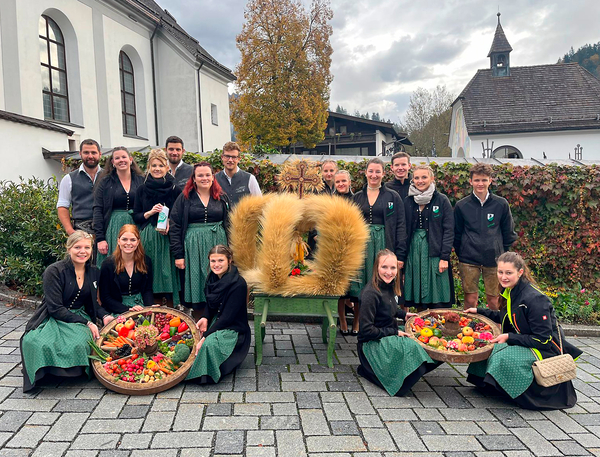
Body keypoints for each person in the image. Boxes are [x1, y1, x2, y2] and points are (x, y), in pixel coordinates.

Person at [466, 252, 582, 410]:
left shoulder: (535, 299)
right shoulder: (511, 291)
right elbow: (506, 316)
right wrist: (478, 311)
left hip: (545, 349)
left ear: (520, 272)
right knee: (487, 346)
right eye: (500, 272)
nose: (503, 277)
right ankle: (492, 386)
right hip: (525, 341)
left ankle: (523, 396)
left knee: (503, 357)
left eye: (509, 273)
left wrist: (509, 337)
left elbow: (543, 340)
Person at [20, 231, 113, 392]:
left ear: (92, 250)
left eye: (87, 247)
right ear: (69, 248)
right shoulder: (54, 271)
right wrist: (88, 323)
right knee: (36, 342)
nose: (82, 251)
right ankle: (46, 372)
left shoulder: (94, 271)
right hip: (53, 316)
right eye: (77, 247)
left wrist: (104, 316)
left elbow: (92, 303)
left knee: (79, 342)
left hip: (79, 315)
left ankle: (71, 372)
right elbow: (55, 308)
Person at [357, 249, 440, 396]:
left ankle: (406, 371)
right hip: (371, 345)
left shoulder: (388, 285)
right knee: (414, 348)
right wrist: (395, 332)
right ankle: (377, 373)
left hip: (387, 333)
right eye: (384, 267)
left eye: (392, 268)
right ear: (376, 267)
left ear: (397, 269)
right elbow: (366, 330)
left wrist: (404, 314)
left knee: (426, 338)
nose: (389, 272)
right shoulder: (370, 293)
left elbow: (388, 308)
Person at [170, 162, 231, 318]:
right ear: (194, 178)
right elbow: (175, 225)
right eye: (200, 175)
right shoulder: (184, 198)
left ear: (213, 177)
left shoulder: (222, 197)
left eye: (207, 175)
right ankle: (199, 320)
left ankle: (217, 320)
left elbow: (230, 224)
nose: (204, 178)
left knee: (218, 277)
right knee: (197, 281)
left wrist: (231, 251)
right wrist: (178, 255)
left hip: (217, 243)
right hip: (193, 248)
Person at [455, 163, 517, 310]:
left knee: (494, 300)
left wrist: (502, 253)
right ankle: (470, 324)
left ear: (490, 180)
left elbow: (508, 231)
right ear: (470, 181)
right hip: (469, 259)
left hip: (494, 259)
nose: (480, 184)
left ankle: (496, 325)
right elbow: (456, 233)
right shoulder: (462, 205)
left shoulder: (501, 204)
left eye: (484, 180)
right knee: (470, 299)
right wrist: (463, 252)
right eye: (477, 180)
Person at [186, 245, 251, 384]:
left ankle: (206, 373)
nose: (216, 265)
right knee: (190, 339)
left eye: (221, 260)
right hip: (218, 320)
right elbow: (210, 304)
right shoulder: (212, 278)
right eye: (213, 261)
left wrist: (206, 336)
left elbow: (227, 318)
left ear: (229, 260)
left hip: (233, 328)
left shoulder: (239, 284)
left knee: (208, 345)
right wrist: (205, 317)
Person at [351, 158, 406, 301]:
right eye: (371, 171)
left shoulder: (393, 196)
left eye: (377, 172)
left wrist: (400, 255)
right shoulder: (357, 197)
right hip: (362, 245)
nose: (374, 175)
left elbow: (400, 226)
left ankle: (384, 312)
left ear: (383, 174)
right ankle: (362, 313)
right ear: (365, 173)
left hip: (384, 243)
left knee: (383, 279)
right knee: (362, 279)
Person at [402, 165, 455, 309]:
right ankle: (420, 319)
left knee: (438, 292)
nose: (420, 181)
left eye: (424, 177)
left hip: (435, 251)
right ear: (413, 180)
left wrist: (444, 257)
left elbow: (449, 230)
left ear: (432, 179)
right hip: (414, 251)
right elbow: (403, 229)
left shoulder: (441, 200)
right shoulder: (408, 201)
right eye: (417, 178)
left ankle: (439, 319)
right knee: (418, 292)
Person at [133, 149, 181, 306]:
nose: (157, 169)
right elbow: (136, 216)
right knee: (151, 274)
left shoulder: (175, 189)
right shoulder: (141, 189)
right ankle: (154, 309)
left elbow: (180, 213)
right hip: (149, 237)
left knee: (169, 274)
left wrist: (170, 221)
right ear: (149, 167)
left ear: (167, 167)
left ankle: (172, 310)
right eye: (154, 165)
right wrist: (150, 212)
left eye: (160, 165)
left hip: (168, 238)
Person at [93, 147, 144, 268]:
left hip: (137, 225)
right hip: (113, 227)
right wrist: (100, 238)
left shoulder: (141, 180)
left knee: (137, 263)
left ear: (130, 160)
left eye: (124, 157)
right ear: (113, 162)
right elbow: (98, 209)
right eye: (117, 158)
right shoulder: (105, 182)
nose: (121, 160)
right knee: (114, 264)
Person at [57, 139, 103, 261]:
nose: (90, 156)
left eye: (93, 152)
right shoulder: (69, 179)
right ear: (80, 154)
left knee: (106, 267)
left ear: (100, 154)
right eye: (86, 152)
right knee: (81, 267)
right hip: (80, 231)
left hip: (105, 231)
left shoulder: (109, 176)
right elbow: (62, 206)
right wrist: (70, 231)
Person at [99, 224, 154, 314]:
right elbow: (105, 297)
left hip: (140, 305)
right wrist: (128, 310)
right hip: (117, 308)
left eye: (133, 240)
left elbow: (147, 290)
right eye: (124, 239)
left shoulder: (146, 261)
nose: (128, 243)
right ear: (118, 241)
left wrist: (149, 308)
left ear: (138, 242)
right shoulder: (108, 264)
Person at [332, 170, 358, 335]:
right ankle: (342, 320)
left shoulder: (357, 199)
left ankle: (356, 322)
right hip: (335, 246)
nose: (341, 184)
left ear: (349, 182)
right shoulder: (330, 201)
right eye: (338, 182)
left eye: (343, 181)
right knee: (340, 288)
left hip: (353, 246)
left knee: (356, 288)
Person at [215, 141, 262, 206]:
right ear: (222, 157)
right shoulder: (215, 179)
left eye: (234, 157)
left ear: (239, 159)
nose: (230, 160)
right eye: (227, 156)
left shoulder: (250, 179)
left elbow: (260, 203)